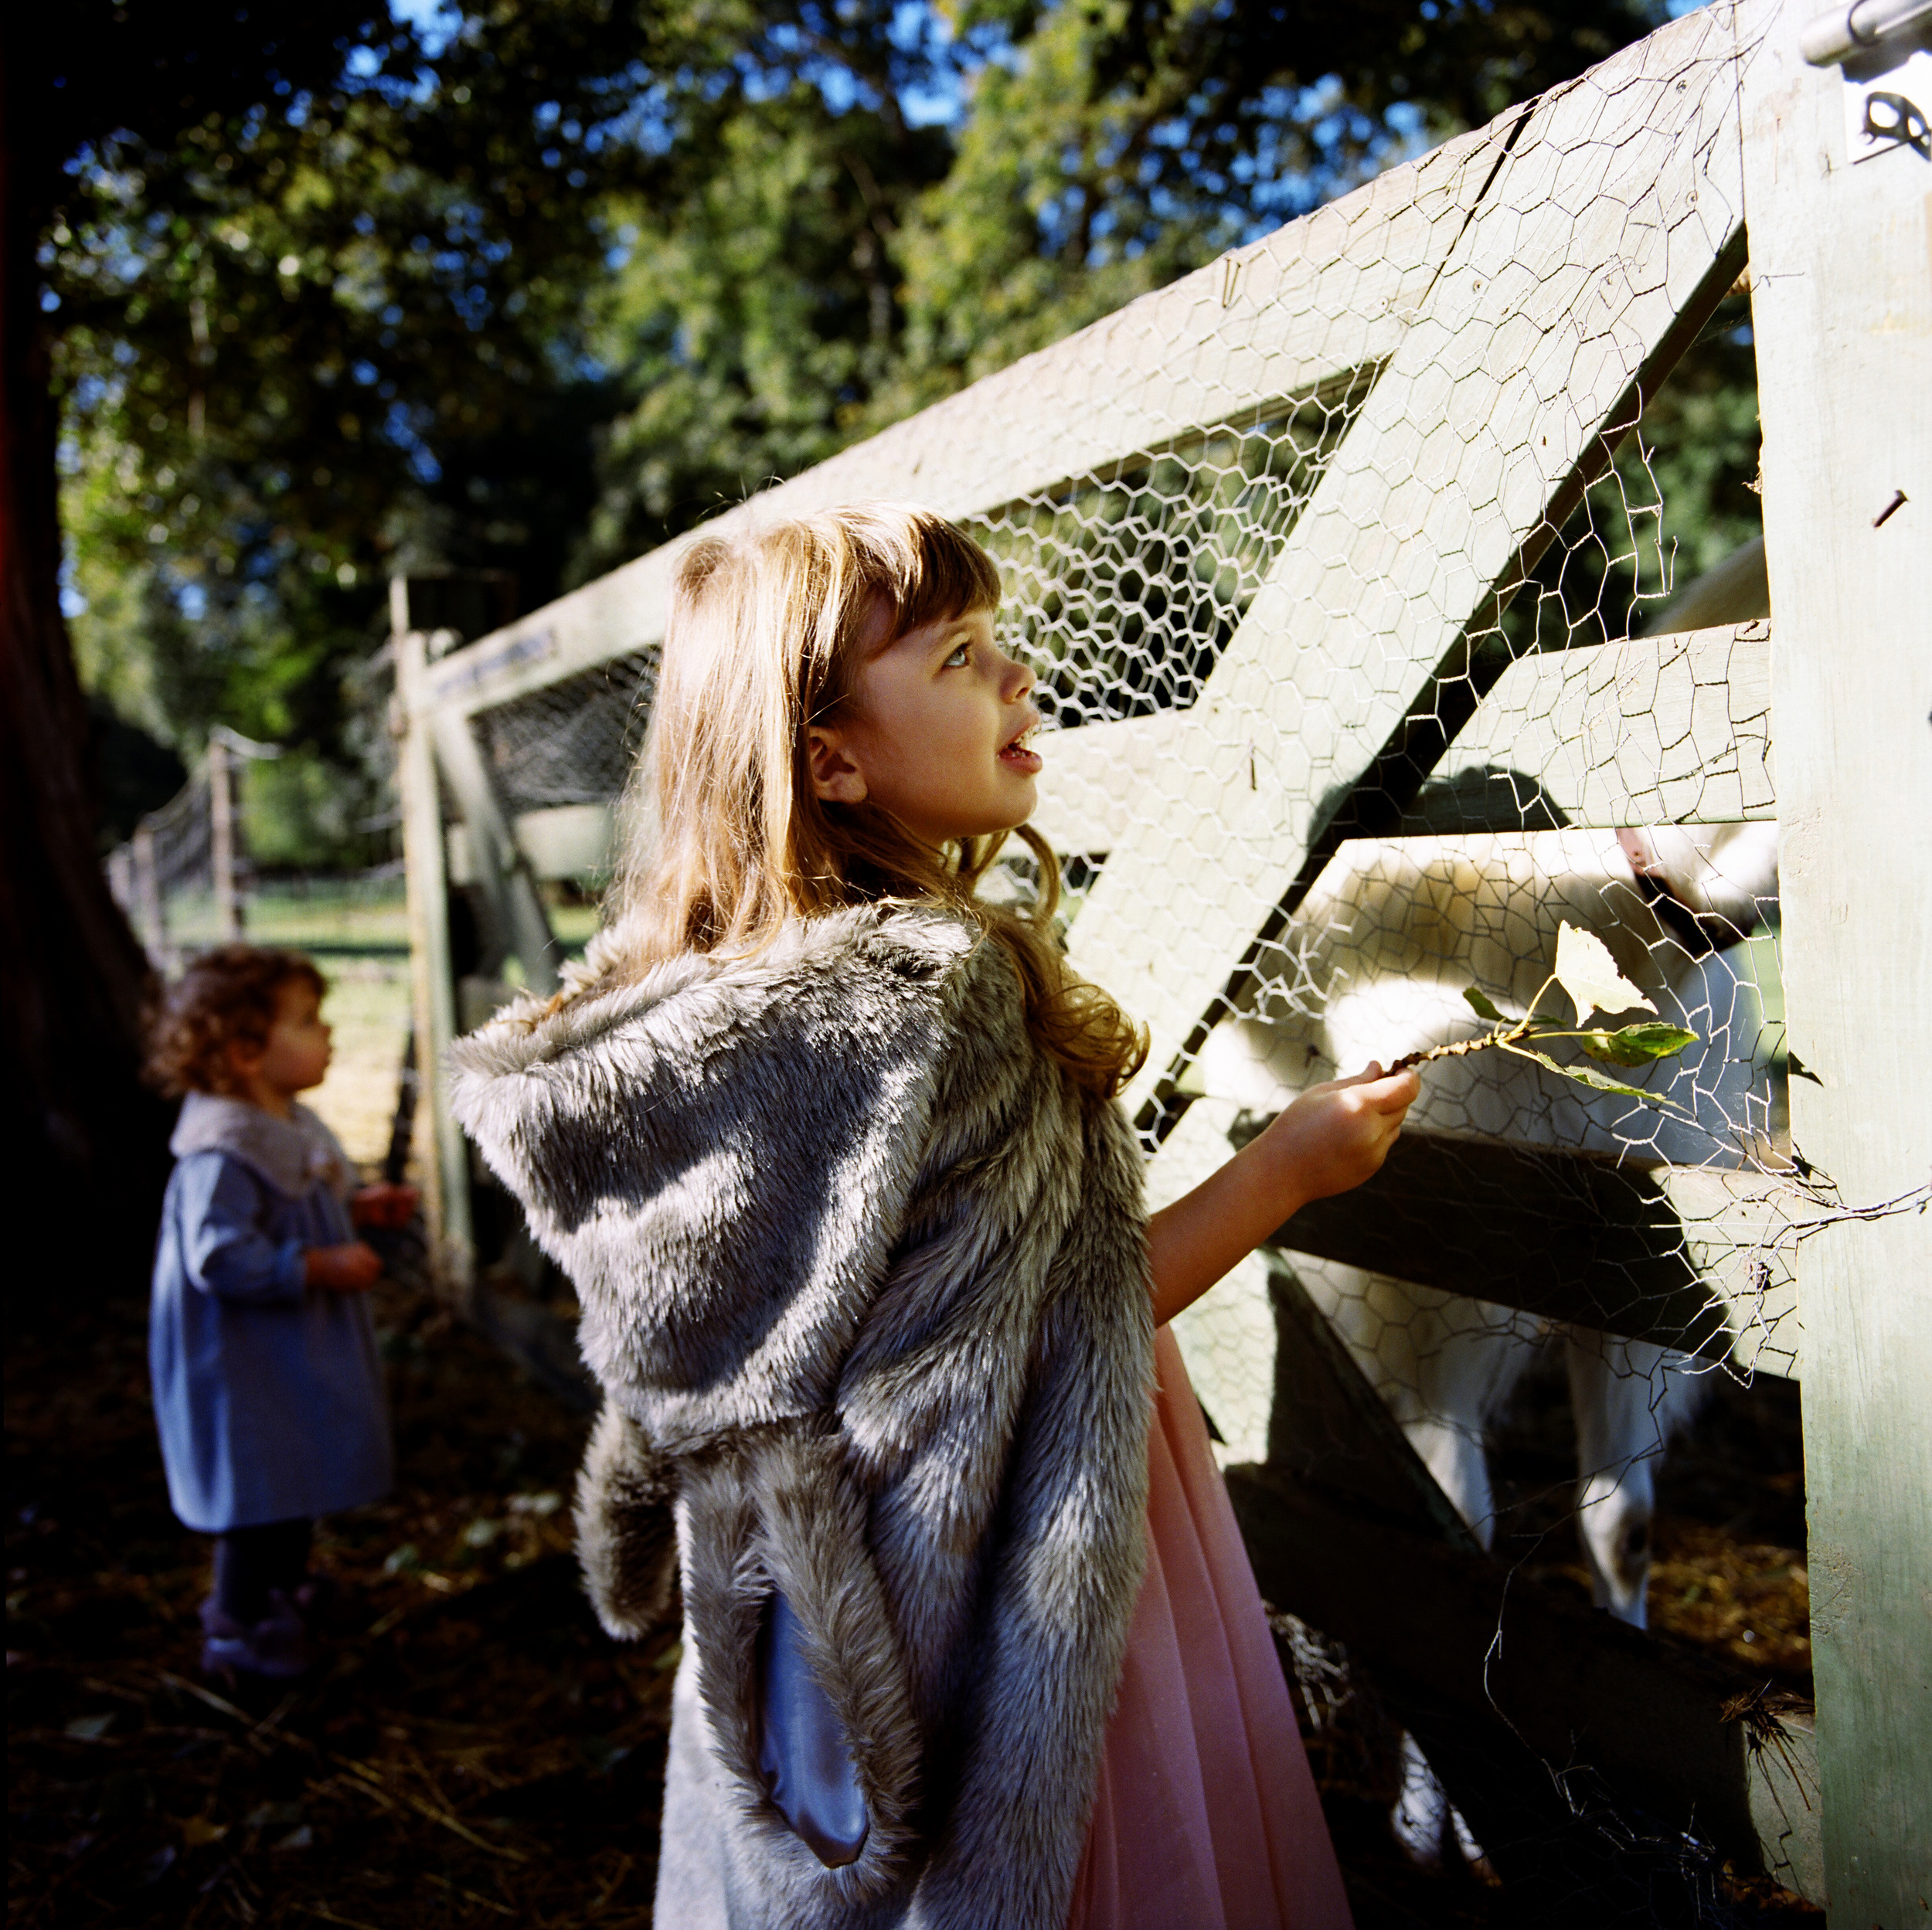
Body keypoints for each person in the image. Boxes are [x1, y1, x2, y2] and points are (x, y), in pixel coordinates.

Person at [452, 505, 1418, 1929]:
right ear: (831, 760)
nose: (1019, 674)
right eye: (962, 655)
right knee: (1076, 1855)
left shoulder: (714, 1025)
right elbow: (1068, 1321)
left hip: (825, 1605)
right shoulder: (941, 1003)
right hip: (1028, 1570)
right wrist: (1286, 1170)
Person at [146, 946, 412, 1683]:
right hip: (242, 1365)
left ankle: (287, 1589)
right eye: (308, 1021)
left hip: (287, 1355)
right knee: (256, 1487)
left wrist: (354, 1212)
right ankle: (238, 1623)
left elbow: (299, 1203)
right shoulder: (222, 1153)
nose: (328, 1033)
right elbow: (218, 1255)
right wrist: (314, 1264)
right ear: (243, 1051)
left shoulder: (287, 1121)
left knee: (290, 1471)